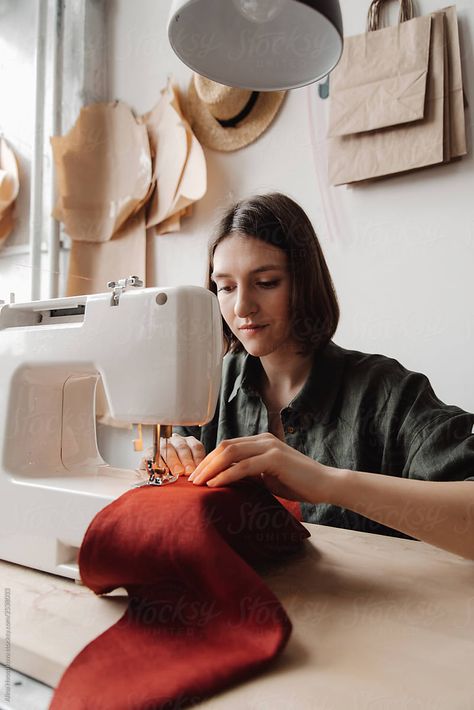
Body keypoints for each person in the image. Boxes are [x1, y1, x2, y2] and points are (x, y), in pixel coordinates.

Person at [165, 192, 474, 560]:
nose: (242, 307)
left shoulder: (388, 393)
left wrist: (329, 483)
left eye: (266, 282)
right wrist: (171, 460)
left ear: (305, 282)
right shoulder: (208, 386)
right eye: (226, 287)